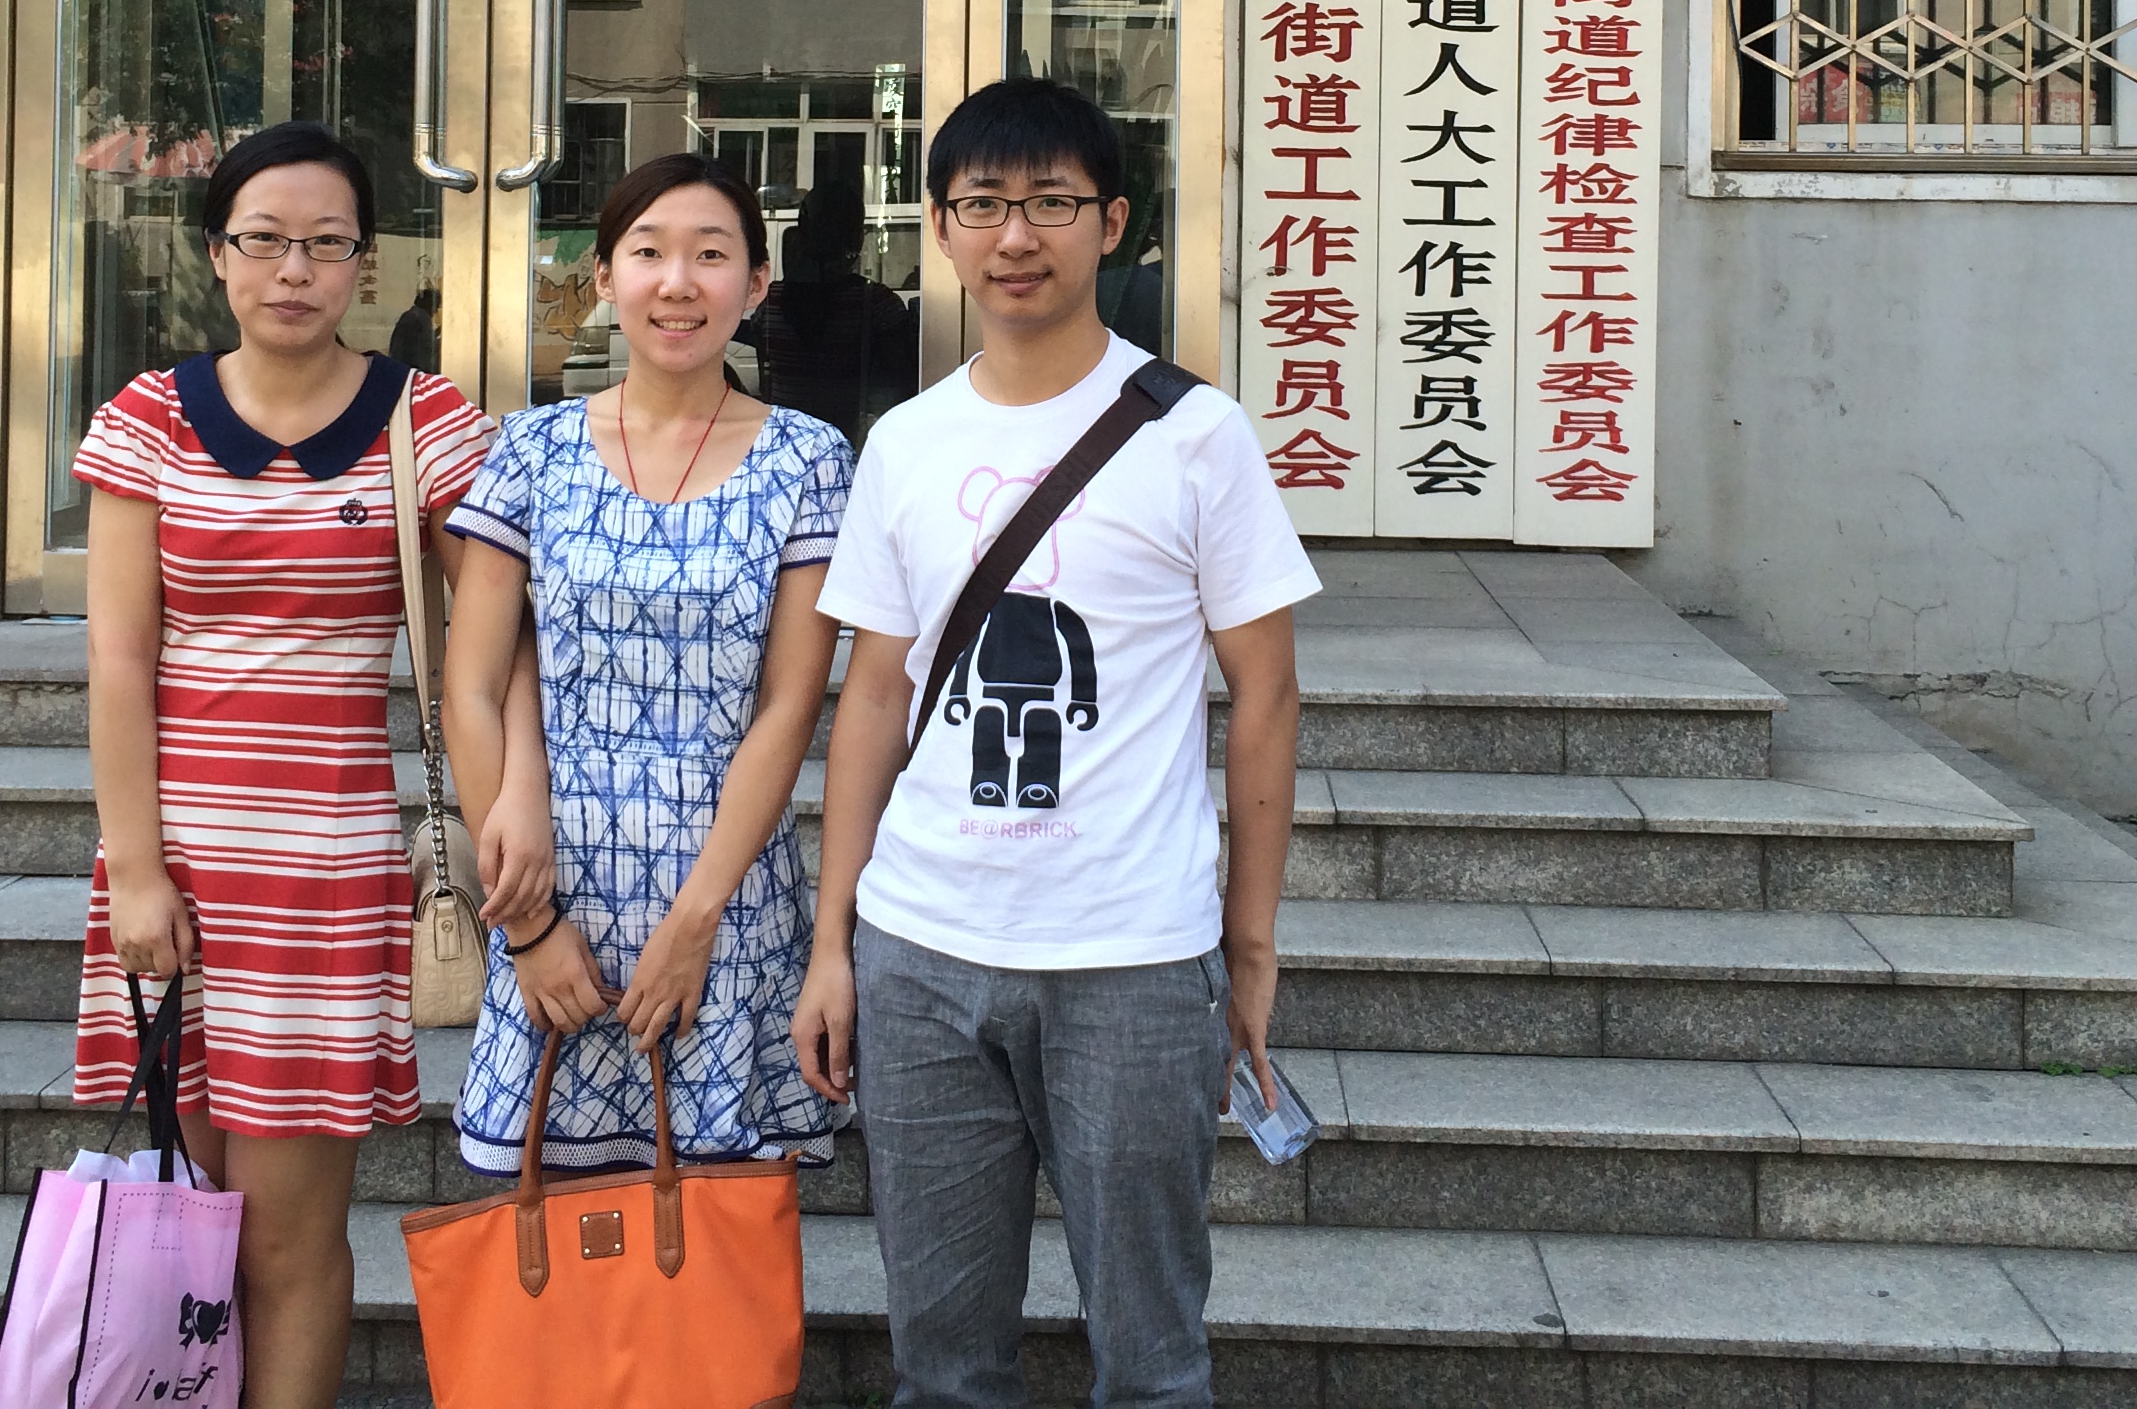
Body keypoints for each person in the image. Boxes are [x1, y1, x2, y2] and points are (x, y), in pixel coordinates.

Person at [793, 76, 1316, 1409]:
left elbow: (1265, 695)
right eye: (983, 205)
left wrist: (1248, 947)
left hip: (1132, 959)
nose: (1015, 237)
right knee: (941, 1367)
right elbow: (873, 698)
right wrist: (833, 945)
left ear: (1114, 223)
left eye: (1051, 204)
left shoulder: (1197, 435)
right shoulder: (906, 443)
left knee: (1154, 1365)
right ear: (940, 226)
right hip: (920, 952)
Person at [73, 120, 497, 1409]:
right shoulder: (148, 419)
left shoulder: (427, 423)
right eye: (264, 241)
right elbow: (119, 661)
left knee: (284, 1241)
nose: (294, 271)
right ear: (217, 254)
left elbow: (492, 649)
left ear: (366, 262)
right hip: (179, 865)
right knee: (186, 1221)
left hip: (326, 878)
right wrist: (136, 872)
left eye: (326, 244)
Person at [437, 151, 853, 1183]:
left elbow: (789, 707)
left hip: (727, 902)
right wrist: (528, 927)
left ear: (756, 285)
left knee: (717, 1248)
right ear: (604, 279)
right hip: (552, 892)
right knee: (550, 1248)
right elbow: (473, 685)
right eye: (648, 253)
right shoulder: (530, 449)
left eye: (711, 256)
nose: (678, 283)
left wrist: (698, 921)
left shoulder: (807, 459)